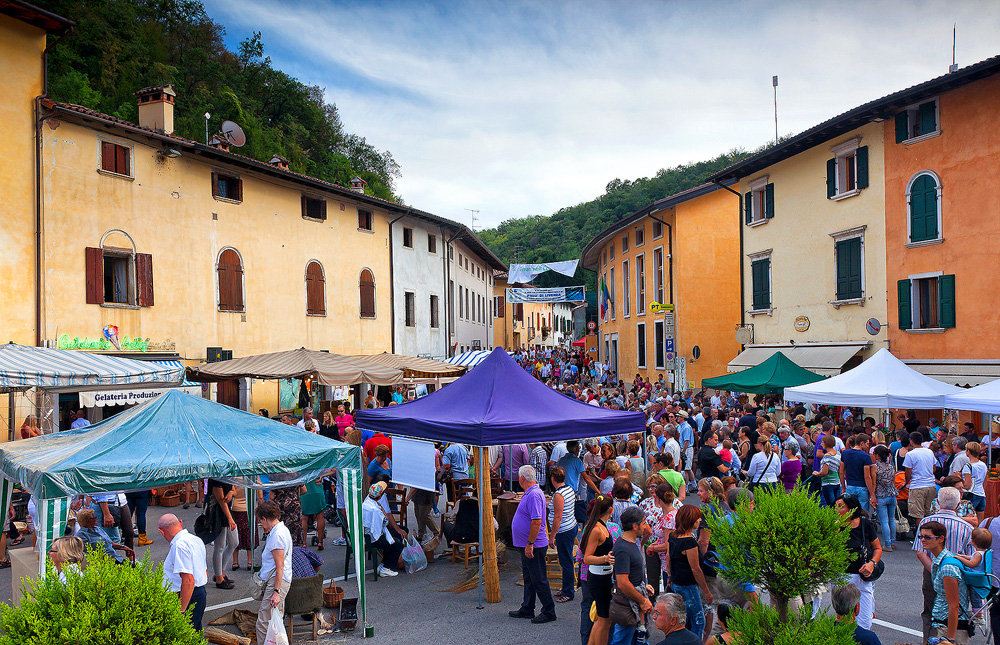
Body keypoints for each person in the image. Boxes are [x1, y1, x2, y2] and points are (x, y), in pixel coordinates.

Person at [914, 487, 974, 641]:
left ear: (938, 502)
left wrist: (935, 569)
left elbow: (920, 551)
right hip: (957, 573)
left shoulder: (926, 522)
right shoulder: (967, 527)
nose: (924, 539)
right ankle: (947, 639)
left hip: (934, 569)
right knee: (954, 607)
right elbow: (972, 557)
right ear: (959, 504)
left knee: (931, 610)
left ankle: (934, 640)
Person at [509, 465, 556, 624]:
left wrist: (530, 543)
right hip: (528, 543)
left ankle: (549, 611)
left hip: (533, 544)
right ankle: (527, 607)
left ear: (522, 478)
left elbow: (537, 521)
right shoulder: (532, 492)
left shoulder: (534, 494)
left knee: (538, 578)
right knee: (530, 577)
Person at [920, 520, 973, 645]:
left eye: (928, 537)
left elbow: (954, 606)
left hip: (951, 628)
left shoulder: (947, 568)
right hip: (944, 623)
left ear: (941, 539)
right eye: (921, 536)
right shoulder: (942, 560)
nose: (923, 540)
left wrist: (949, 639)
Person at [835, 494, 882, 630]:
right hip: (842, 577)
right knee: (844, 621)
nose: (836, 510)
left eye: (840, 506)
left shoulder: (865, 524)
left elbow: (877, 548)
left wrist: (872, 563)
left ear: (851, 509)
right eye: (835, 506)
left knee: (865, 622)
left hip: (863, 577)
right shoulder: (834, 526)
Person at [609, 506, 654, 645]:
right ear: (635, 526)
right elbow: (623, 583)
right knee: (622, 641)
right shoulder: (623, 548)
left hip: (632, 602)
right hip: (627, 605)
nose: (646, 527)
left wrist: (643, 585)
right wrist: (642, 600)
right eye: (644, 523)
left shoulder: (631, 542)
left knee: (638, 639)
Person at [667, 505, 712, 639]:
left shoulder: (673, 536)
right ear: (690, 521)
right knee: (698, 621)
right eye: (697, 518)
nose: (700, 520)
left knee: (683, 620)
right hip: (688, 586)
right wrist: (707, 591)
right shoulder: (689, 542)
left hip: (676, 582)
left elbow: (669, 556)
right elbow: (695, 569)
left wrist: (669, 575)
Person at [158, 513, 208, 631]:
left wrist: (181, 610)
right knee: (195, 632)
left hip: (185, 595)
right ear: (180, 523)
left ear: (162, 532)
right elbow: (204, 571)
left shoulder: (179, 546)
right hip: (199, 593)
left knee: (183, 633)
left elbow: (188, 580)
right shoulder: (196, 540)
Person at [254, 500, 293, 645]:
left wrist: (276, 591)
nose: (260, 523)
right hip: (279, 580)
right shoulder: (280, 530)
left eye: (260, 520)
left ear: (264, 518)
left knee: (264, 622)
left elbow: (279, 566)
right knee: (274, 622)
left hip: (276, 582)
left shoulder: (276, 536)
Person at [583, 494, 616, 645]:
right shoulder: (597, 529)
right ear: (610, 510)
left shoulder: (601, 526)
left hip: (603, 576)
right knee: (604, 620)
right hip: (598, 578)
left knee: (601, 619)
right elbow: (587, 558)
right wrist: (605, 559)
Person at [362, 482, 406, 577]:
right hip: (371, 537)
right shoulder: (375, 509)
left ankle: (383, 564)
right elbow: (384, 522)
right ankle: (386, 567)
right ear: (380, 496)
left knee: (394, 539)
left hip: (366, 534)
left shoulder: (367, 501)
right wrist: (381, 508)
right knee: (398, 545)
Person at [548, 466, 578, 603]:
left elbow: (557, 518)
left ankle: (568, 591)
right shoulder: (569, 489)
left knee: (565, 562)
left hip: (564, 530)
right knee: (566, 560)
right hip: (570, 526)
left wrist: (552, 535)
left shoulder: (559, 495)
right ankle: (566, 587)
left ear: (553, 479)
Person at [207, 478, 238, 589]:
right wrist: (229, 518)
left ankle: (220, 572)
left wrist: (230, 492)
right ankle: (219, 578)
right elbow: (220, 500)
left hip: (227, 512)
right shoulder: (216, 478)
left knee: (234, 542)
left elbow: (234, 490)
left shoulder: (228, 475)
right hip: (218, 514)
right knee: (219, 546)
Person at [904, 432, 938, 529]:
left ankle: (921, 536)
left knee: (918, 514)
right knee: (929, 512)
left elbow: (908, 473)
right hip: (931, 485)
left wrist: (907, 482)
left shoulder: (910, 455)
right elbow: (934, 468)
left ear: (911, 441)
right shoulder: (929, 452)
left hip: (917, 485)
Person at [872, 446, 897, 552]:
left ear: (877, 455)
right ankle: (892, 542)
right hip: (892, 494)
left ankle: (887, 544)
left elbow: (874, 482)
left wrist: (872, 495)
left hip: (881, 495)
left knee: (884, 521)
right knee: (892, 519)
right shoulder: (891, 467)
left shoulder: (875, 467)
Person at [841, 433, 875, 511]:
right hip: (862, 487)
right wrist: (872, 494)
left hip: (849, 486)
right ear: (862, 443)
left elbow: (841, 472)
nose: (867, 446)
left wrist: (843, 486)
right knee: (863, 512)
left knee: (850, 512)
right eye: (867, 444)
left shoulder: (845, 453)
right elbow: (867, 476)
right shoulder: (866, 456)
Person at [962, 442, 988, 523]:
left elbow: (967, 485)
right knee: (980, 521)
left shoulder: (968, 466)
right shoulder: (983, 465)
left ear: (968, 451)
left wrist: (960, 480)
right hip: (981, 494)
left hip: (971, 494)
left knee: (968, 520)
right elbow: (985, 482)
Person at [813, 434, 841, 507]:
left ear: (826, 443)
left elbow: (824, 472)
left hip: (828, 483)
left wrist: (817, 473)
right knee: (837, 505)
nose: (821, 444)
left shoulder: (827, 456)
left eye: (822, 442)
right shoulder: (838, 454)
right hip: (837, 481)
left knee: (831, 506)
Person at [299, 476, 326, 551]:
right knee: (320, 515)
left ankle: (303, 542)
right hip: (317, 488)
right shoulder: (317, 464)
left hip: (305, 490)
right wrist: (322, 476)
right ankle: (320, 542)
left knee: (304, 518)